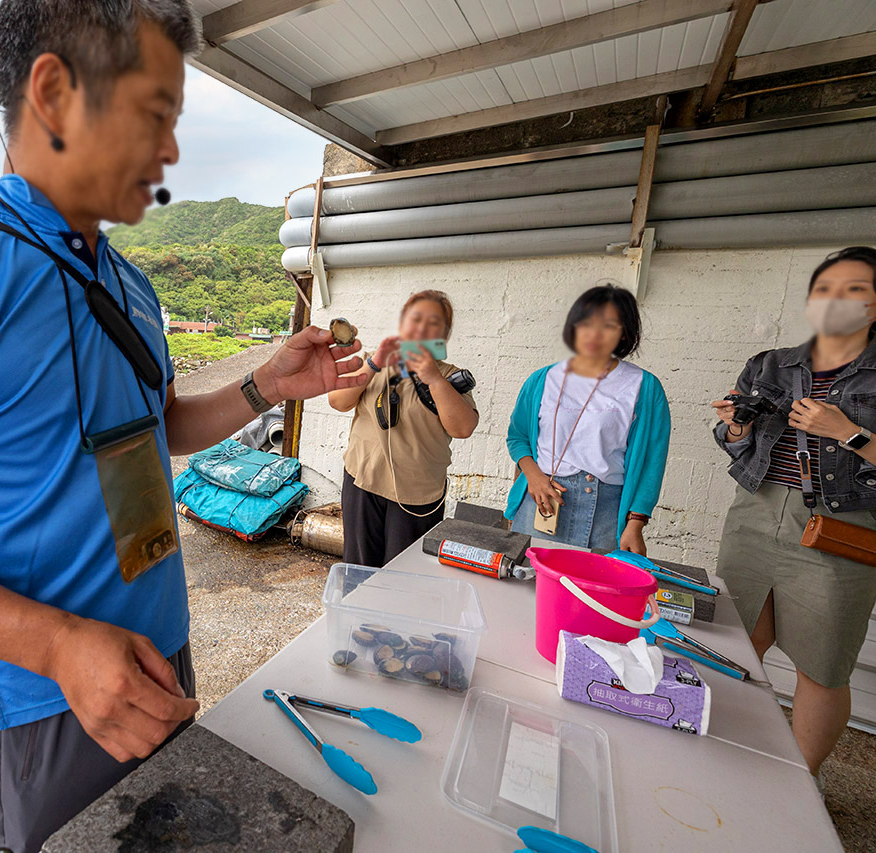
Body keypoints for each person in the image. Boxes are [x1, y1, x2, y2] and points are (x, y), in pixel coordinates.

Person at [0, 3, 366, 852]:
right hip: (39, 695)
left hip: (153, 659)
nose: (171, 152)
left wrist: (262, 385)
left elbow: (157, 425)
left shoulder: (130, 288)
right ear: (55, 91)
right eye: (153, 115)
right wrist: (59, 644)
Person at [712, 246, 876, 781]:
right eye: (826, 288)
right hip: (754, 514)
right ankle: (723, 757)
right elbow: (736, 442)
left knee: (822, 667)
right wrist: (737, 425)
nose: (836, 301)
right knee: (736, 642)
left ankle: (798, 783)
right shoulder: (771, 364)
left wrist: (844, 432)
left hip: (841, 526)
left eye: (855, 289)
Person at [506, 284, 671, 554]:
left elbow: (653, 460)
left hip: (606, 512)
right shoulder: (542, 379)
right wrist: (534, 476)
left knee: (592, 594)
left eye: (608, 325)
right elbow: (518, 437)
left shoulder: (644, 386)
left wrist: (636, 522)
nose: (594, 333)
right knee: (527, 589)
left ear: (624, 332)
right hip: (542, 501)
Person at [327, 290, 479, 567]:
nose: (421, 327)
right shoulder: (372, 361)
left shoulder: (449, 376)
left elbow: (463, 428)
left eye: (433, 322)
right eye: (415, 318)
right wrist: (374, 365)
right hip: (363, 481)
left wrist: (432, 378)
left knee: (403, 572)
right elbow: (337, 401)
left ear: (444, 335)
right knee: (357, 566)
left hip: (417, 494)